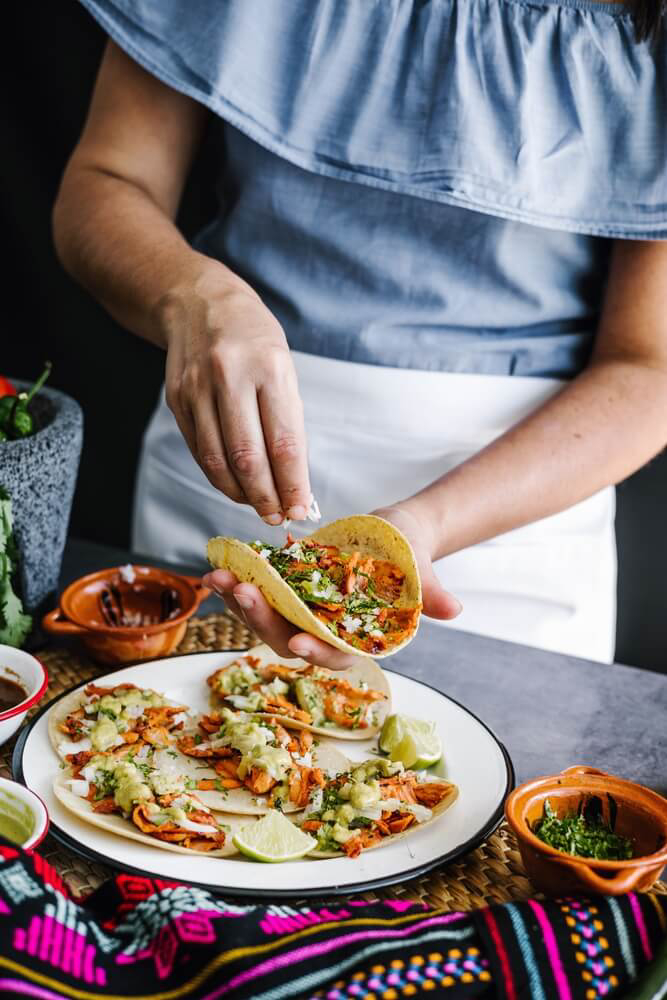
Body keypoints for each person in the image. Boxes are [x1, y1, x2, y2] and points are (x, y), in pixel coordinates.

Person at [53, 0, 667, 669]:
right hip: (223, 467)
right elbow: (107, 180)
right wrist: (197, 296)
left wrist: (424, 526)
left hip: (514, 524)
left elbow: (647, 368)